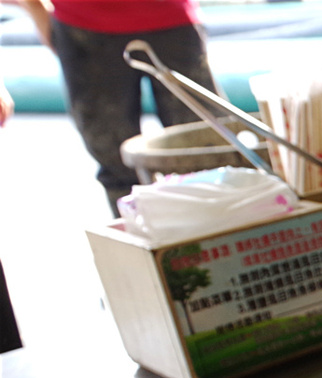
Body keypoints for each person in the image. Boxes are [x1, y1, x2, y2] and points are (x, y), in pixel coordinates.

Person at [12, 0, 222, 216]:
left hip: (170, 18)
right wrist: (38, 11)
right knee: (117, 163)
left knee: (208, 150)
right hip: (85, 26)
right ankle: (140, 242)